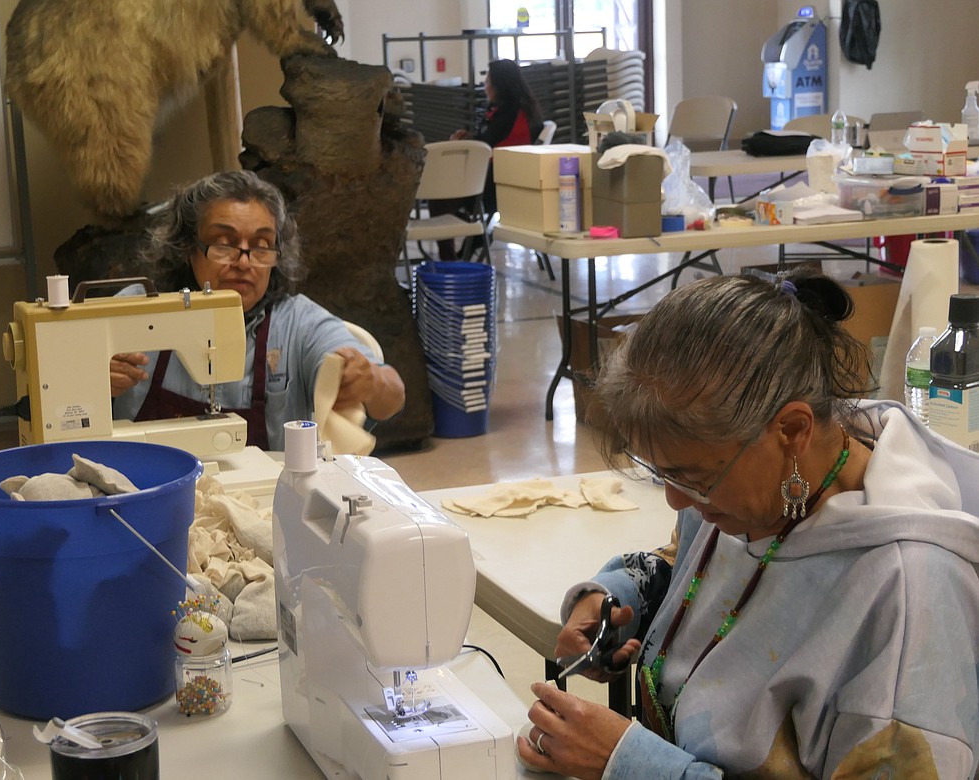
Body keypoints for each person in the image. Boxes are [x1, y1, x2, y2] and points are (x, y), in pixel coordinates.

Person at [518, 272, 979, 778]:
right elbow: (691, 569)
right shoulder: (755, 490)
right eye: (661, 473)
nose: (677, 499)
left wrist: (628, 763)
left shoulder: (908, 593)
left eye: (693, 477)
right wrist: (619, 595)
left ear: (792, 429)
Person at [110, 170, 405, 450]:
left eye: (261, 246)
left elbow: (393, 395)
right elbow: (67, 406)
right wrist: (93, 387)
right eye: (224, 244)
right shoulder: (136, 311)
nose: (243, 262)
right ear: (188, 247)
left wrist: (369, 382)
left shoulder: (298, 323)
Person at [432, 59, 544, 260]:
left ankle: (451, 258)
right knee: (443, 196)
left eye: (488, 79)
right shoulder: (520, 110)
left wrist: (462, 145)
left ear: (499, 84)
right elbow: (491, 143)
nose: (485, 84)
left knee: (439, 195)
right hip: (509, 179)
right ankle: (471, 239)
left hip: (497, 186)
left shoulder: (507, 114)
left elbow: (485, 148)